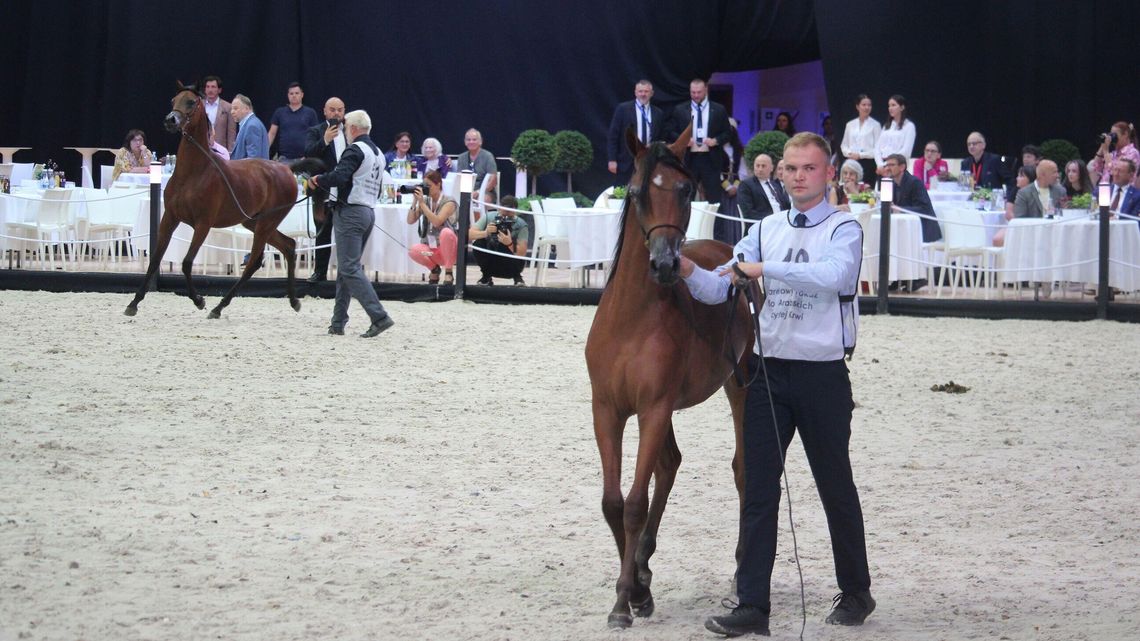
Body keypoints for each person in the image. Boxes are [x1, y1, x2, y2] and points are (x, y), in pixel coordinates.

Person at [680, 133, 872, 636]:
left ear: (828, 173)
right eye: (790, 168)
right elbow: (718, 284)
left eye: (808, 168)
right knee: (758, 488)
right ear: (781, 173)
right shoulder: (764, 228)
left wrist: (764, 269)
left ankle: (856, 591)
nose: (798, 176)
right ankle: (752, 606)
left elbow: (834, 277)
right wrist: (684, 267)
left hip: (823, 374)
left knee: (835, 485)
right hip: (767, 374)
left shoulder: (843, 229)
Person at [306, 109, 395, 338]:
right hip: (367, 212)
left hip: (351, 212)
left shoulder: (355, 149)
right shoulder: (378, 153)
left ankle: (379, 316)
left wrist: (318, 180)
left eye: (346, 128)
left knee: (349, 268)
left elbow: (339, 176)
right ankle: (338, 322)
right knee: (347, 269)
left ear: (353, 129)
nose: (345, 132)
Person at [303, 97, 347, 283]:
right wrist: (325, 140)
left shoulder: (351, 130)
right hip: (322, 192)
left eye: (340, 110)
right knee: (323, 233)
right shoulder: (315, 131)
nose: (336, 113)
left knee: (346, 234)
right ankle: (319, 272)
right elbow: (309, 154)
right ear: (325, 111)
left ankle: (346, 275)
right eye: (332, 109)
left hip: (345, 191)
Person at [669, 78, 731, 204]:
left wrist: (716, 140)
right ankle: (687, 224)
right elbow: (671, 132)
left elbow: (727, 133)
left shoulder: (719, 109)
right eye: (693, 92)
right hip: (689, 159)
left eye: (699, 92)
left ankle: (716, 224)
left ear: (706, 90)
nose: (696, 95)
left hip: (710, 158)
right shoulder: (680, 109)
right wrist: (684, 141)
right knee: (686, 196)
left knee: (714, 198)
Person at [607, 79, 664, 186]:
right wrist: (612, 159)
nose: (643, 94)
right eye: (640, 91)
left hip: (648, 160)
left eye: (646, 91)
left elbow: (659, 137)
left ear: (651, 93)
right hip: (626, 160)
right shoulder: (623, 109)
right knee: (622, 193)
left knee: (647, 192)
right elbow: (613, 136)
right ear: (635, 92)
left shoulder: (658, 113)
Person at [406, 170, 458, 284]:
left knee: (446, 232)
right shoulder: (425, 201)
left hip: (449, 250)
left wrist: (422, 205)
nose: (426, 189)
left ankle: (449, 272)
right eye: (424, 186)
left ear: (438, 184)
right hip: (431, 251)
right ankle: (434, 269)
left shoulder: (449, 201)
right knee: (413, 250)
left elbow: (437, 222)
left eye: (428, 186)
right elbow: (410, 221)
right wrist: (415, 202)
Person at [885, 152, 940, 251]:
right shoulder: (890, 183)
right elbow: (889, 206)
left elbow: (924, 209)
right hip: (905, 230)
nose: (888, 168)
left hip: (922, 230)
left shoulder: (915, 182)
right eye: (887, 165)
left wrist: (900, 209)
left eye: (892, 165)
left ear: (902, 167)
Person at [470, 194, 529, 286]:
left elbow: (522, 253)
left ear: (515, 212)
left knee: (507, 245)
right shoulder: (489, 217)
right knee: (478, 243)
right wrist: (485, 233)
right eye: (503, 216)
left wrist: (509, 244)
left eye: (509, 218)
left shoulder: (521, 225)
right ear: (499, 209)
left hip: (510, 265)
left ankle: (517, 277)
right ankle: (486, 276)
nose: (505, 220)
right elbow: (469, 234)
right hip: (491, 260)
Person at [267, 82, 319, 161]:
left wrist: (311, 155)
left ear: (302, 95)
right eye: (291, 93)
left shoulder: (310, 113)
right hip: (284, 159)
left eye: (296, 93)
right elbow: (272, 133)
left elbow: (315, 136)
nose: (294, 95)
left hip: (304, 159)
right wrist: (263, 150)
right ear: (288, 95)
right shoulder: (279, 112)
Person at [738, 153, 789, 229]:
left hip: (781, 225)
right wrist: (772, 220)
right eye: (757, 166)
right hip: (762, 226)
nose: (760, 169)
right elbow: (748, 213)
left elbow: (785, 206)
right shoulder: (746, 185)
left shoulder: (775, 185)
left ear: (771, 168)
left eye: (763, 166)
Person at [715, 118, 746, 244]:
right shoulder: (716, 150)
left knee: (735, 215)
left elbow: (742, 171)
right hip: (721, 187)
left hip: (736, 187)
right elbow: (716, 171)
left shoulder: (738, 150)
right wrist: (727, 187)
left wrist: (736, 187)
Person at [840, 94, 880, 184]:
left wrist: (860, 155)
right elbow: (844, 145)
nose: (867, 107)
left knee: (865, 192)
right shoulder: (850, 124)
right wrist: (849, 153)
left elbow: (878, 148)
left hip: (867, 163)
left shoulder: (875, 125)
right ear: (857, 106)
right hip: (851, 161)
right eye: (864, 105)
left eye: (869, 105)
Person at [1088, 121, 1140, 186]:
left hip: (1121, 192)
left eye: (1115, 135)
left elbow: (1115, 172)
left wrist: (1106, 151)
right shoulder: (1113, 154)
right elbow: (1094, 166)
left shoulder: (1133, 153)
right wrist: (1102, 146)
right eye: (1111, 134)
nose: (1113, 138)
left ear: (1125, 134)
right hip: (1105, 191)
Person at [874, 94, 915, 174]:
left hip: (898, 168)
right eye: (889, 106)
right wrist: (880, 164)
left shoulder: (909, 126)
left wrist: (888, 164)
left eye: (893, 105)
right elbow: (877, 147)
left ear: (902, 107)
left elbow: (906, 151)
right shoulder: (886, 126)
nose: (890, 108)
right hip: (883, 167)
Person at [455, 128, 498, 200]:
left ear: (480, 142)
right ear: (465, 142)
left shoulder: (488, 156)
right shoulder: (461, 157)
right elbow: (459, 179)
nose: (471, 142)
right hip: (465, 192)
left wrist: (478, 192)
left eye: (474, 139)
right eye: (468, 140)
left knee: (482, 199)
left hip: (485, 192)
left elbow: (493, 180)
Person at [202, 75, 236, 152]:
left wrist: (230, 153)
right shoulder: (199, 106)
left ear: (219, 90)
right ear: (204, 89)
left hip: (221, 150)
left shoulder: (228, 107)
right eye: (208, 87)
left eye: (213, 87)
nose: (210, 90)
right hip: (202, 150)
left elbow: (231, 133)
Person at [229, 94, 269, 160]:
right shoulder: (249, 124)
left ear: (247, 109)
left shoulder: (252, 126)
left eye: (235, 108)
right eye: (232, 109)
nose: (232, 112)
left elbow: (253, 159)